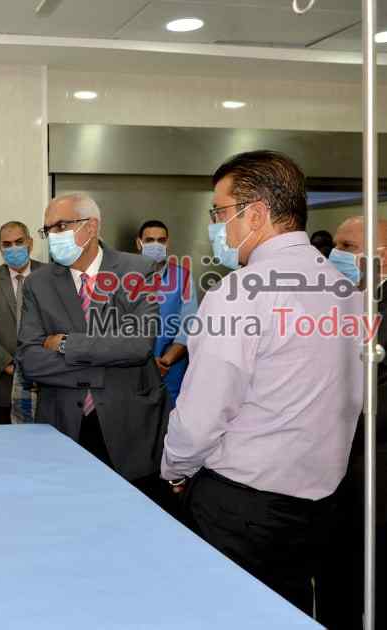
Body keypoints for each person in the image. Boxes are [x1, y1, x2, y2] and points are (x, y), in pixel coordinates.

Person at [161, 151, 363, 616]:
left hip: (240, 505)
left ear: (254, 214)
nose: (216, 226)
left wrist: (176, 470)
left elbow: (203, 413)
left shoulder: (238, 293)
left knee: (223, 613)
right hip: (319, 501)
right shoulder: (346, 292)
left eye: (219, 212)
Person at [17, 192, 170, 495]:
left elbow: (138, 346)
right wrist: (102, 368)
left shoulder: (137, 270)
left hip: (129, 425)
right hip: (64, 424)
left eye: (61, 226)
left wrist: (65, 343)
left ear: (92, 226)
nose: (53, 236)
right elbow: (29, 360)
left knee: (135, 514)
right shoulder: (38, 282)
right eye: (48, 230)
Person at [315, 216, 387, 629]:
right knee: (336, 580)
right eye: (336, 245)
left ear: (381, 256)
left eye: (347, 247)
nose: (335, 255)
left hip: (371, 473)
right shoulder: (344, 303)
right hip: (337, 474)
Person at [135, 220, 199, 406]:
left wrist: (165, 361)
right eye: (149, 240)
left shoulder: (183, 277)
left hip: (169, 370)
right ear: (139, 243)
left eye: (161, 240)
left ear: (167, 243)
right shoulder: (124, 277)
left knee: (167, 419)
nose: (156, 245)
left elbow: (189, 325)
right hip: (132, 368)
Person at [0, 221, 44, 424]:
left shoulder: (51, 275)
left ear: (30, 243)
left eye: (19, 242)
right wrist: (6, 363)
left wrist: (43, 362)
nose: (13, 248)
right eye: (7, 244)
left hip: (46, 381)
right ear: (0, 248)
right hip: (3, 383)